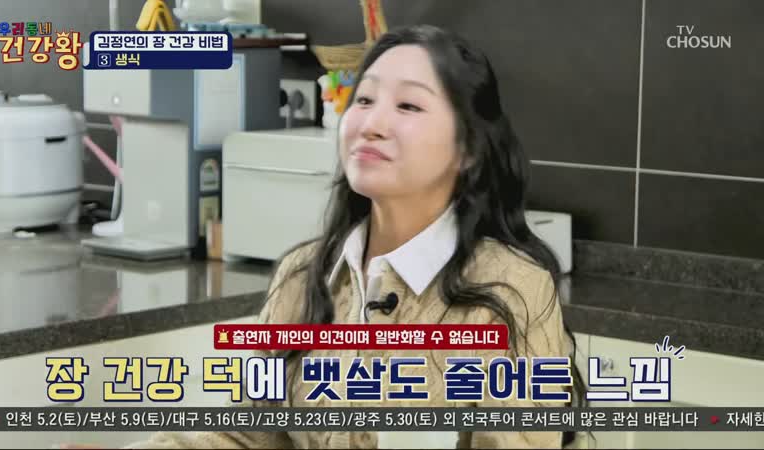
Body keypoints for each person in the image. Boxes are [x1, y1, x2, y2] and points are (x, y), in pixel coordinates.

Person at [78, 23, 584, 450]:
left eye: (409, 106)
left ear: (468, 149)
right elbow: (249, 437)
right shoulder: (303, 274)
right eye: (363, 99)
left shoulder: (511, 291)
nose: (372, 124)